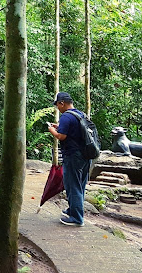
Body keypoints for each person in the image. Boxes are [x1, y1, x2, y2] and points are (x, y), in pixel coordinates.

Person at [47, 92, 91, 226]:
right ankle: (73, 210)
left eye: (57, 105)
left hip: (73, 156)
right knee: (80, 185)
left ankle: (77, 218)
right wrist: (58, 127)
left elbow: (61, 136)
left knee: (72, 186)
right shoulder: (80, 114)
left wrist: (51, 130)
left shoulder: (66, 116)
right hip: (85, 155)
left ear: (62, 103)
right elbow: (73, 132)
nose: (58, 109)